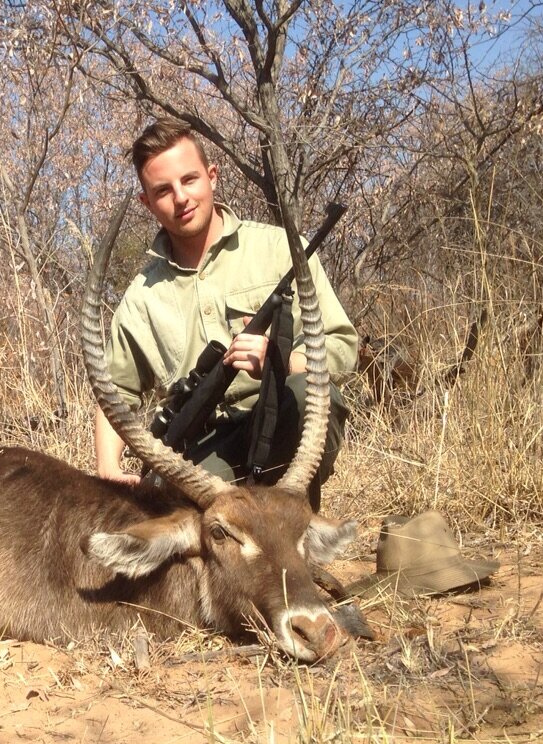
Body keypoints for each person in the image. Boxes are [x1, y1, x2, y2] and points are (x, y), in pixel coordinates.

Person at [95, 119, 358, 510]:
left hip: (280, 422)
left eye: (190, 180)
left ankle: (292, 528)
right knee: (161, 507)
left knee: (309, 394)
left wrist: (278, 359)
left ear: (212, 177)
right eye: (163, 191)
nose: (181, 198)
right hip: (200, 448)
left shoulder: (282, 249)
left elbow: (341, 346)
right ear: (146, 203)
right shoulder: (139, 298)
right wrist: (108, 467)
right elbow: (115, 392)